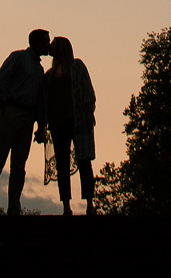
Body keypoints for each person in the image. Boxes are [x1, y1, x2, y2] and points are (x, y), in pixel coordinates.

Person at [0, 28, 50, 218]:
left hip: (27, 117)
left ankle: (14, 207)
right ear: (37, 43)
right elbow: (0, 81)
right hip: (12, 112)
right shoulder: (18, 58)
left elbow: (40, 100)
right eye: (46, 41)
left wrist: (41, 126)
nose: (48, 45)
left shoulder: (39, 70)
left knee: (19, 166)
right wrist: (5, 104)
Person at [34, 35, 97, 215]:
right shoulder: (49, 75)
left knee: (84, 160)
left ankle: (90, 204)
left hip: (76, 121)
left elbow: (87, 91)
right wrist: (41, 127)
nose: (51, 47)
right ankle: (66, 206)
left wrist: (88, 112)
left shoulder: (77, 67)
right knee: (62, 164)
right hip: (57, 123)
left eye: (54, 44)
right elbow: (44, 103)